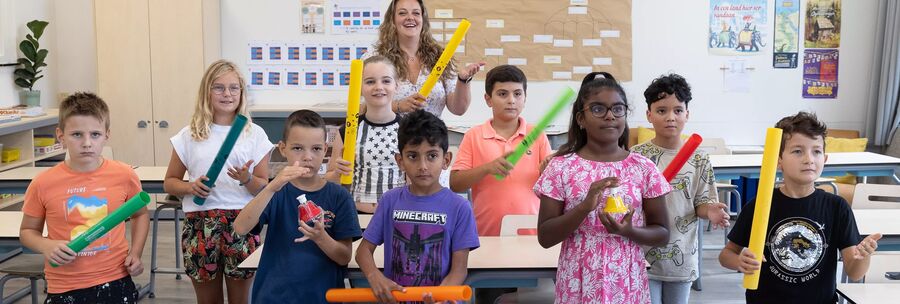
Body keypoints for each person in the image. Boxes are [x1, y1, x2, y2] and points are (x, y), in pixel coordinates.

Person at [535, 72, 672, 303]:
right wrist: (583, 208)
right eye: (598, 109)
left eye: (618, 109)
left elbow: (662, 233)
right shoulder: (560, 167)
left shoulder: (643, 168)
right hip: (577, 281)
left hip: (627, 282)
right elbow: (545, 237)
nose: (610, 116)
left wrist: (629, 231)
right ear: (581, 118)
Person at [718, 111, 882, 303]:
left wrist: (864, 256)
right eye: (798, 151)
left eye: (816, 151)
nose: (809, 159)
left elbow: (854, 273)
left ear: (825, 159)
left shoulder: (837, 207)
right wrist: (739, 261)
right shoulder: (761, 204)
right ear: (778, 160)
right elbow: (726, 255)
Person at [19, 92, 149, 303]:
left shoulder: (124, 175)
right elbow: (27, 232)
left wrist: (136, 252)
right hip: (65, 284)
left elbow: (140, 215)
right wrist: (46, 246)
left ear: (107, 135)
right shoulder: (43, 183)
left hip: (116, 278)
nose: (87, 143)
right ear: (60, 136)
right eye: (77, 134)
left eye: (95, 134)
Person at [163, 60, 273, 304]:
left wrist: (246, 179)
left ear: (242, 92)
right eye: (219, 87)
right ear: (206, 92)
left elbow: (263, 187)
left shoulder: (254, 134)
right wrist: (189, 187)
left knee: (240, 300)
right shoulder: (189, 134)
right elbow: (169, 183)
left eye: (234, 88)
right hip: (200, 224)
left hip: (243, 222)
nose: (227, 94)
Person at [233, 110, 361, 303]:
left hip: (322, 297)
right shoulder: (276, 191)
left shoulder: (339, 196)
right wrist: (271, 187)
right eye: (298, 148)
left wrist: (321, 237)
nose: (307, 157)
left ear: (325, 150)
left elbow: (344, 257)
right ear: (283, 149)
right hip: (274, 296)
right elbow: (240, 227)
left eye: (316, 149)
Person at [356, 110, 480, 303]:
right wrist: (375, 276)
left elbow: (459, 269)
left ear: (446, 160)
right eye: (413, 156)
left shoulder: (460, 208)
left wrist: (441, 297)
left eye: (431, 156)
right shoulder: (390, 201)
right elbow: (363, 252)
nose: (423, 166)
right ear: (400, 161)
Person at [631, 73, 730, 304]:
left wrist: (711, 211)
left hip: (682, 255)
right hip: (643, 254)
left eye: (678, 110)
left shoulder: (699, 158)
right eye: (661, 110)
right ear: (649, 115)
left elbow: (702, 204)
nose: (670, 117)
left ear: (687, 114)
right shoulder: (637, 156)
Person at [450, 64, 551, 236]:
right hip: (486, 234)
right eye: (503, 94)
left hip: (532, 235)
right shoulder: (474, 136)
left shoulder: (537, 135)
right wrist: (488, 168)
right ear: (488, 99)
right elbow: (455, 184)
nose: (511, 100)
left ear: (525, 98)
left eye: (517, 94)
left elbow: (553, 188)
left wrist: (547, 172)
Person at [362, 0, 484, 117]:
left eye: (416, 13)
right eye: (402, 13)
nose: (410, 17)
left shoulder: (440, 56)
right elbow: (360, 108)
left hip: (432, 136)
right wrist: (398, 106)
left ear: (423, 20)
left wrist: (463, 80)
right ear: (392, 20)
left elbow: (458, 109)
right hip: (389, 136)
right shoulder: (374, 58)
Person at [327, 56, 406, 214]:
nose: (378, 87)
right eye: (370, 81)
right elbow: (330, 180)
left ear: (396, 85)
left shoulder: (409, 130)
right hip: (355, 214)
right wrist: (338, 173)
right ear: (359, 87)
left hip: (398, 214)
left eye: (386, 81)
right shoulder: (347, 131)